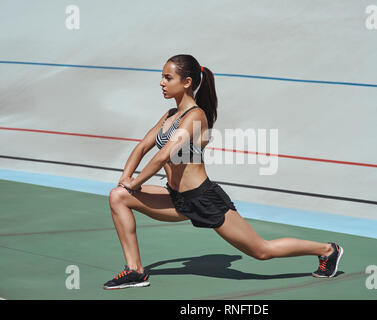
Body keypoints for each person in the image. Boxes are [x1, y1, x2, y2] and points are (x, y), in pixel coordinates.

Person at [103, 54, 344, 290]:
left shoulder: (196, 116)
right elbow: (143, 146)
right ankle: (135, 270)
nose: (161, 83)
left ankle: (327, 250)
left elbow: (163, 155)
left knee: (261, 251)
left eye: (168, 77)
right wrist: (126, 177)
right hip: (176, 198)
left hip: (204, 199)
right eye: (162, 77)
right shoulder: (169, 115)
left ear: (186, 82)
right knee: (118, 196)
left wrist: (136, 183)